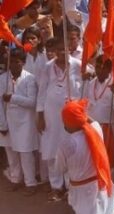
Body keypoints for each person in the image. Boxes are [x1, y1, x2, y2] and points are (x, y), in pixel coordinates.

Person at [58, 99, 114, 214]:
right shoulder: (96, 130)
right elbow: (91, 121)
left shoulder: (67, 143)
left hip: (81, 190)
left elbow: (60, 167)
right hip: (102, 184)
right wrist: (79, 112)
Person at [36, 38, 82, 196]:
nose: (62, 52)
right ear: (54, 50)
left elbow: (85, 85)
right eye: (59, 49)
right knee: (51, 147)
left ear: (70, 48)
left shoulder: (77, 64)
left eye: (65, 48)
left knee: (70, 146)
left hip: (70, 114)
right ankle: (56, 186)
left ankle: (70, 185)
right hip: (51, 114)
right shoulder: (48, 67)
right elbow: (41, 91)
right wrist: (40, 115)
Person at [0, 48, 40, 189]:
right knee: (11, 153)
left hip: (26, 122)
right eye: (11, 62)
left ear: (23, 62)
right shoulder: (2, 78)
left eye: (17, 62)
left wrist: (13, 98)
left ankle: (31, 183)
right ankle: (15, 179)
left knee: (25, 153)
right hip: (7, 121)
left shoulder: (29, 78)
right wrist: (2, 125)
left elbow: (32, 102)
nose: (13, 65)